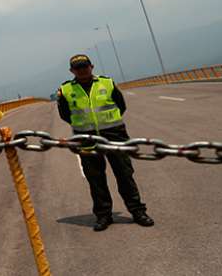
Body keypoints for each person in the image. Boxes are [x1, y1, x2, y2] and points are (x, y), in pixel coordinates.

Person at [57, 54, 154, 231]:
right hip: (85, 139)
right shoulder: (65, 90)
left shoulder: (107, 83)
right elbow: (65, 115)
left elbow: (121, 105)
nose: (82, 70)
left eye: (85, 66)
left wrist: (108, 124)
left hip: (115, 135)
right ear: (72, 71)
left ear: (91, 66)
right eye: (78, 68)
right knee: (96, 179)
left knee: (125, 175)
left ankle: (138, 212)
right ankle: (103, 216)